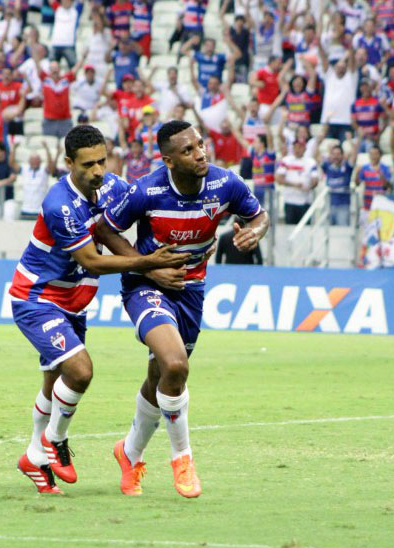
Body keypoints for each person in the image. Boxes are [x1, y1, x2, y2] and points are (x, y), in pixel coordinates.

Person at [10, 125, 188, 494]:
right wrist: (148, 263)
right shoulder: (60, 204)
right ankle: (54, 442)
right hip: (38, 297)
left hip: (74, 300)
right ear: (68, 163)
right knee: (80, 371)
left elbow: (142, 200)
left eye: (102, 161)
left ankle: (33, 454)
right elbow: (91, 261)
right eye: (88, 164)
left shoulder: (110, 186)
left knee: (54, 383)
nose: (98, 171)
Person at [95, 120, 269, 498]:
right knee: (176, 365)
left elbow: (258, 214)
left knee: (162, 377)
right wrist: (149, 267)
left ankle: (128, 454)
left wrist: (256, 230)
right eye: (188, 150)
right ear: (169, 160)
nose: (200, 153)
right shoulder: (148, 190)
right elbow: (106, 231)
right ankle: (183, 460)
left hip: (191, 290)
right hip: (146, 285)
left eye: (201, 145)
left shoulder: (226, 184)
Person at [276, 139, 318, 224]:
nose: (297, 149)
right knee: (289, 228)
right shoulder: (286, 161)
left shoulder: (311, 162)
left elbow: (315, 180)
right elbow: (279, 178)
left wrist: (309, 187)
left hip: (305, 201)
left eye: (300, 147)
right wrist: (295, 185)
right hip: (290, 201)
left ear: (305, 148)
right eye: (295, 147)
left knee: (305, 228)